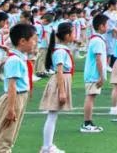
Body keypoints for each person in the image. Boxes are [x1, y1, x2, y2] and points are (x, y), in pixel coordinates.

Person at [0, 21, 36, 153]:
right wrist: (10, 108)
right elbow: (12, 86)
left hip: (20, 97)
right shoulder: (15, 60)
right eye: (33, 40)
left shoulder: (20, 58)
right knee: (4, 140)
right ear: (22, 41)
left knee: (9, 138)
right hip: (14, 99)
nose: (35, 43)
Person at [40, 21, 74, 153]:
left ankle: (47, 146)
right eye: (72, 32)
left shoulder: (62, 49)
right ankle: (47, 146)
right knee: (52, 115)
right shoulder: (60, 51)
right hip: (60, 82)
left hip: (62, 80)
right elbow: (59, 71)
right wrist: (62, 92)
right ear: (66, 35)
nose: (74, 35)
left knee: (53, 115)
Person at [81, 13, 108, 133]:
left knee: (92, 97)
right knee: (90, 97)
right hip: (94, 74)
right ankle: (86, 123)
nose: (107, 27)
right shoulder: (97, 40)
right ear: (101, 26)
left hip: (93, 74)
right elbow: (98, 59)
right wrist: (101, 76)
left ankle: (89, 122)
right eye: (106, 25)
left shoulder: (97, 39)